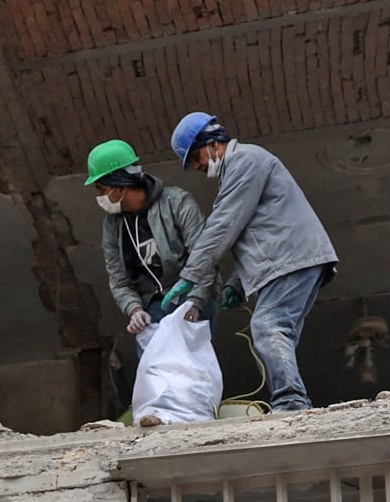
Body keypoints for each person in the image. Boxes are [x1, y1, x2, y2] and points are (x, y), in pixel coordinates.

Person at [159, 111, 338, 412]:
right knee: (279, 331)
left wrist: (190, 275)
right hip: (290, 258)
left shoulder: (245, 161)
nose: (198, 167)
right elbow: (254, 231)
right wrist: (236, 286)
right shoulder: (240, 169)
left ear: (212, 142)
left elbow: (225, 224)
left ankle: (292, 403)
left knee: (268, 325)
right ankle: (293, 400)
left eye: (196, 157)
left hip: (291, 258)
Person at [85, 137, 205, 339]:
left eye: (101, 189)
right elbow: (120, 281)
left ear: (120, 187)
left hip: (191, 294)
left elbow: (204, 259)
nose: (99, 197)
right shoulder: (112, 225)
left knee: (191, 363)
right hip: (154, 306)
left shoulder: (176, 202)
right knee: (156, 365)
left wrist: (197, 303)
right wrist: (134, 310)